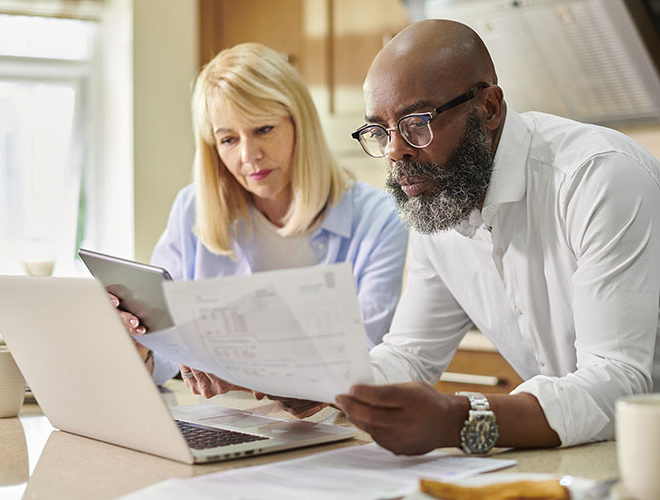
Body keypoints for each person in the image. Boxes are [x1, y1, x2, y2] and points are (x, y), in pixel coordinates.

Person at [330, 19, 660, 455]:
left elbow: (620, 382)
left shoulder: (596, 178)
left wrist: (458, 420)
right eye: (381, 130)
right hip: (585, 450)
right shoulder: (440, 197)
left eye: (416, 123)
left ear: (489, 108)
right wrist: (316, 385)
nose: (395, 150)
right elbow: (409, 356)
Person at [114, 42, 408, 387]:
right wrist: (142, 349)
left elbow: (364, 355)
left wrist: (242, 373)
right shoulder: (191, 209)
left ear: (299, 124)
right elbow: (168, 349)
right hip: (227, 420)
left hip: (333, 426)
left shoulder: (379, 219)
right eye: (228, 140)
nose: (249, 156)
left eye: (263, 129)